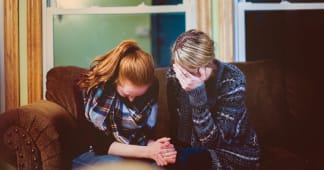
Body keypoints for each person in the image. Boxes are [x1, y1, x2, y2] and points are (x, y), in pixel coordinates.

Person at [73, 40, 176, 169]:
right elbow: (99, 145)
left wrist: (159, 148)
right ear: (116, 81)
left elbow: (141, 135)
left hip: (131, 151)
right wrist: (148, 152)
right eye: (126, 94)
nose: (132, 100)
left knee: (158, 167)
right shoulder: (95, 89)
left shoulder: (152, 88)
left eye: (138, 95)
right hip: (91, 153)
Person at [166, 29, 260, 170]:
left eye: (191, 71)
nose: (186, 76)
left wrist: (197, 93)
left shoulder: (232, 79)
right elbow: (181, 135)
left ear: (207, 62)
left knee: (189, 158)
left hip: (233, 152)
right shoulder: (176, 76)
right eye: (184, 69)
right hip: (192, 150)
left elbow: (213, 143)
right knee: (167, 158)